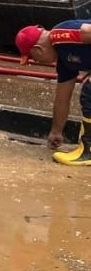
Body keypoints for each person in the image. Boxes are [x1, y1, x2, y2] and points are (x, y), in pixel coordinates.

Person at [16, 22, 91, 165]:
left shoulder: (60, 35)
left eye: (33, 57)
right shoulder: (64, 60)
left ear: (38, 49)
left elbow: (88, 30)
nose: (37, 61)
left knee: (89, 91)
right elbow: (62, 98)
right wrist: (56, 131)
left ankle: (89, 150)